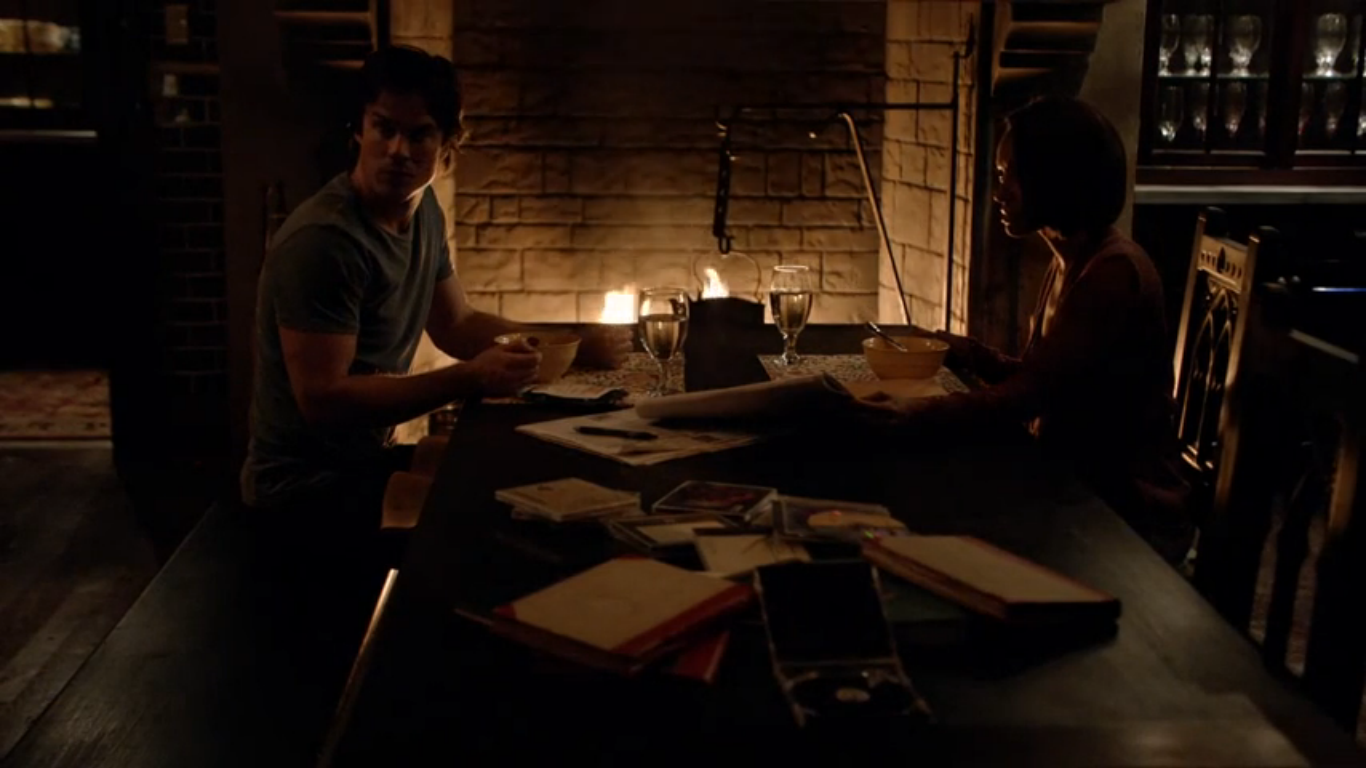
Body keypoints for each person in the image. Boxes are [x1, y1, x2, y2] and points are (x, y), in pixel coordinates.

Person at [241, 46, 631, 535]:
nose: (398, 151)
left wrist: (571, 342)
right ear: (359, 129)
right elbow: (323, 401)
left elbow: (457, 325)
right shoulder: (326, 241)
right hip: (302, 491)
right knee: (505, 520)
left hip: (363, 463)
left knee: (526, 472)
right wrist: (471, 377)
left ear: (447, 143)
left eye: (419, 134)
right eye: (385, 128)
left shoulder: (423, 210)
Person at [859, 96, 1192, 564]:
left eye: (1008, 176)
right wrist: (968, 353)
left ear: (1054, 176)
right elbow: (1054, 380)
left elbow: (1031, 395)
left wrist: (918, 412)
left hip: (1121, 513)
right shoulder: (1072, 258)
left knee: (931, 512)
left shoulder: (1112, 274)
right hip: (1075, 483)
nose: (999, 194)